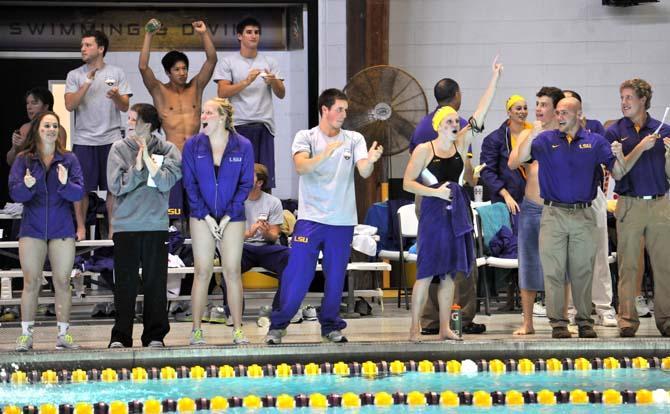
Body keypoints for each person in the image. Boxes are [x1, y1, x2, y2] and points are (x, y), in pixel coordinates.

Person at [264, 88, 383, 345]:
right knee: (298, 275)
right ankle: (278, 325)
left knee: (336, 276)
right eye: (339, 109)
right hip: (310, 220)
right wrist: (325, 154)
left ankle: (330, 325)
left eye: (345, 109)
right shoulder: (305, 136)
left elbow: (363, 171)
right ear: (324, 110)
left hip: (341, 221)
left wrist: (371, 160)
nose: (344, 114)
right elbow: (301, 166)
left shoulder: (354, 138)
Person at [403, 60, 502, 342]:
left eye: (455, 121)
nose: (454, 123)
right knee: (426, 272)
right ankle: (414, 328)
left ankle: (446, 326)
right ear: (437, 125)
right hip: (434, 210)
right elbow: (409, 182)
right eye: (448, 121)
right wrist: (435, 192)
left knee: (449, 274)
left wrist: (494, 77)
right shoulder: (425, 149)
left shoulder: (460, 144)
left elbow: (480, 112)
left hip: (456, 210)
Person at [513, 97, 625, 339]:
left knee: (582, 271)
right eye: (558, 112)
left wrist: (621, 155)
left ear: (578, 114)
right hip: (553, 214)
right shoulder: (545, 140)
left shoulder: (595, 141)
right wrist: (532, 133)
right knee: (553, 271)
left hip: (584, 214)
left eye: (565, 112)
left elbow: (618, 172)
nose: (560, 116)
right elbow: (518, 160)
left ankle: (585, 322)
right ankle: (559, 324)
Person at [106, 103, 181, 348]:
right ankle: (120, 336)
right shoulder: (118, 148)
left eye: (132, 118)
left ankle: (155, 335)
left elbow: (165, 182)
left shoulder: (168, 149)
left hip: (155, 225)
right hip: (126, 226)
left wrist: (148, 160)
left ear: (146, 125)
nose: (128, 122)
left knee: (155, 283)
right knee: (125, 285)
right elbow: (116, 186)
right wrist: (137, 168)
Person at [9, 111, 84, 351]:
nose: (51, 129)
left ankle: (63, 334)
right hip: (32, 228)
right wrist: (27, 186)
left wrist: (64, 183)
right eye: (46, 125)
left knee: (62, 281)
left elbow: (78, 193)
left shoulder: (69, 159)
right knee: (31, 281)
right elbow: (15, 194)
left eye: (54, 125)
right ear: (38, 130)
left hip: (62, 227)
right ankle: (26, 335)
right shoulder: (24, 159)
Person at [182, 97, 254, 345]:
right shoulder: (192, 145)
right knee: (202, 271)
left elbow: (246, 183)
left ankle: (237, 329)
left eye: (210, 112)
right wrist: (204, 215)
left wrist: (226, 217)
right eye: (203, 112)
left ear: (223, 117)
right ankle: (196, 330)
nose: (204, 116)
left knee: (232, 271)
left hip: (232, 216)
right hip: (201, 215)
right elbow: (189, 185)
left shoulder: (242, 145)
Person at [604, 78, 670, 337]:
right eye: (622, 98)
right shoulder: (614, 131)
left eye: (629, 97)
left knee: (664, 266)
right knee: (628, 266)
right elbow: (618, 174)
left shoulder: (663, 129)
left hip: (660, 205)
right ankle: (627, 320)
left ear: (643, 99)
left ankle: (666, 320)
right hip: (629, 204)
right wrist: (640, 148)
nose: (624, 103)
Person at [65, 30, 132, 239]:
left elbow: (124, 107)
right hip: (84, 139)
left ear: (100, 49)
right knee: (81, 188)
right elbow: (69, 105)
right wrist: (86, 83)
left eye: (87, 45)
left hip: (111, 138)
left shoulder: (117, 73)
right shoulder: (75, 75)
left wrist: (115, 96)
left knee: (113, 187)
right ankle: (81, 228)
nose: (82, 49)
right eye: (82, 45)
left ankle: (113, 229)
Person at [508, 86, 564, 335]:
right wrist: (533, 134)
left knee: (562, 266)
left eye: (543, 105)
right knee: (529, 264)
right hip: (531, 208)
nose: (538, 109)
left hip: (558, 208)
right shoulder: (529, 134)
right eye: (537, 104)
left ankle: (562, 320)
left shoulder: (566, 134)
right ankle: (527, 322)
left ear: (556, 109)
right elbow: (513, 162)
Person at [562, 89, 617, 328]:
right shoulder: (556, 134)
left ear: (579, 110)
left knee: (599, 253)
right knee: (573, 257)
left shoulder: (595, 129)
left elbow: (605, 161)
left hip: (593, 196)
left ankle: (604, 307)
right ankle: (574, 307)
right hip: (566, 198)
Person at [214, 16, 285, 189]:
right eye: (249, 32)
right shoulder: (228, 61)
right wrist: (246, 81)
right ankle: (237, 214)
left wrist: (274, 81)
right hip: (238, 126)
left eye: (257, 32)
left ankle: (265, 212)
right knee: (238, 175)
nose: (253, 36)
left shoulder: (270, 62)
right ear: (240, 36)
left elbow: (281, 93)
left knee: (264, 176)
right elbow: (222, 92)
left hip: (264, 125)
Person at [139, 19, 217, 151]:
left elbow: (212, 60)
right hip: (173, 152)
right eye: (177, 69)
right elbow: (143, 67)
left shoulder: (196, 87)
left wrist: (204, 34)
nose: (182, 73)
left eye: (184, 68)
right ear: (167, 72)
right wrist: (148, 35)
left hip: (196, 151)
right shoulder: (159, 91)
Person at [8, 87, 67, 166]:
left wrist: (27, 149)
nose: (29, 107)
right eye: (27, 103)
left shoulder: (58, 130)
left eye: (34, 103)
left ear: (46, 107)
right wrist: (15, 148)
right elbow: (11, 162)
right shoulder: (25, 129)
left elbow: (59, 162)